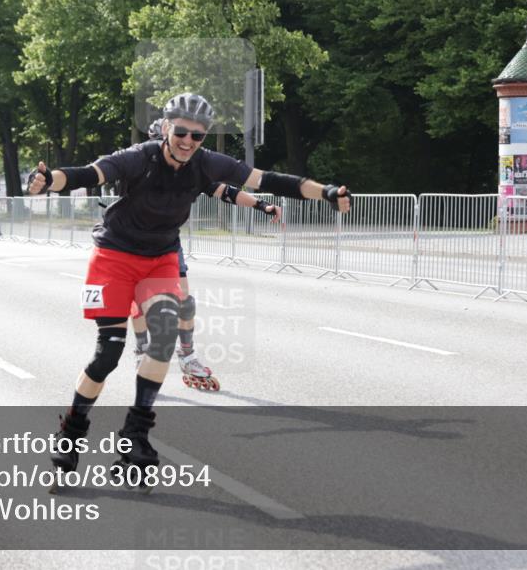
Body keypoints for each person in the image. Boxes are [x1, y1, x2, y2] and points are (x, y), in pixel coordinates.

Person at [28, 93, 350, 489]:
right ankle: (73, 430)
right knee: (107, 354)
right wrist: (49, 181)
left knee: (163, 342)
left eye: (197, 136)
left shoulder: (206, 164)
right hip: (113, 256)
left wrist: (328, 192)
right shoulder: (138, 157)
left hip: (160, 258)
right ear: (165, 128)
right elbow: (86, 173)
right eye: (180, 132)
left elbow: (270, 180)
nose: (187, 141)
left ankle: (135, 436)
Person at [130, 119, 283, 391]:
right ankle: (142, 351)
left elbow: (226, 192)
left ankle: (187, 356)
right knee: (139, 303)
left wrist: (262, 205)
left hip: (167, 244)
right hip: (134, 244)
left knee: (185, 302)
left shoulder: (190, 171)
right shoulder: (139, 168)